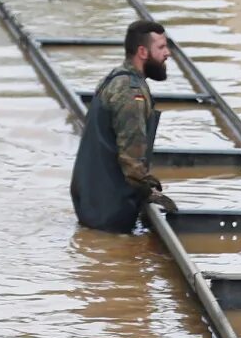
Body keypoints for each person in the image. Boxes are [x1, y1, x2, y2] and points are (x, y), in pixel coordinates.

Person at [72, 19, 179, 232]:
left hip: (91, 201)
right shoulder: (131, 93)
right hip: (109, 210)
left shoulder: (115, 78)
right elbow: (131, 157)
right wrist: (150, 191)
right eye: (161, 47)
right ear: (142, 52)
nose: (167, 53)